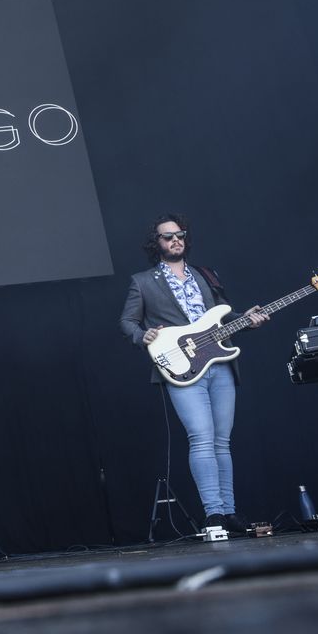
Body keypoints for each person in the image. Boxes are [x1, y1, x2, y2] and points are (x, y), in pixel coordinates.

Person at [119, 215, 266, 534]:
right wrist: (141, 336)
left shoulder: (206, 275)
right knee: (201, 438)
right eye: (167, 236)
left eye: (180, 234)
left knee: (221, 442)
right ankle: (213, 513)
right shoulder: (142, 281)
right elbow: (128, 323)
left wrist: (248, 319)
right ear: (155, 243)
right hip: (181, 367)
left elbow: (223, 318)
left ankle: (229, 512)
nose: (175, 239)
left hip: (220, 364)